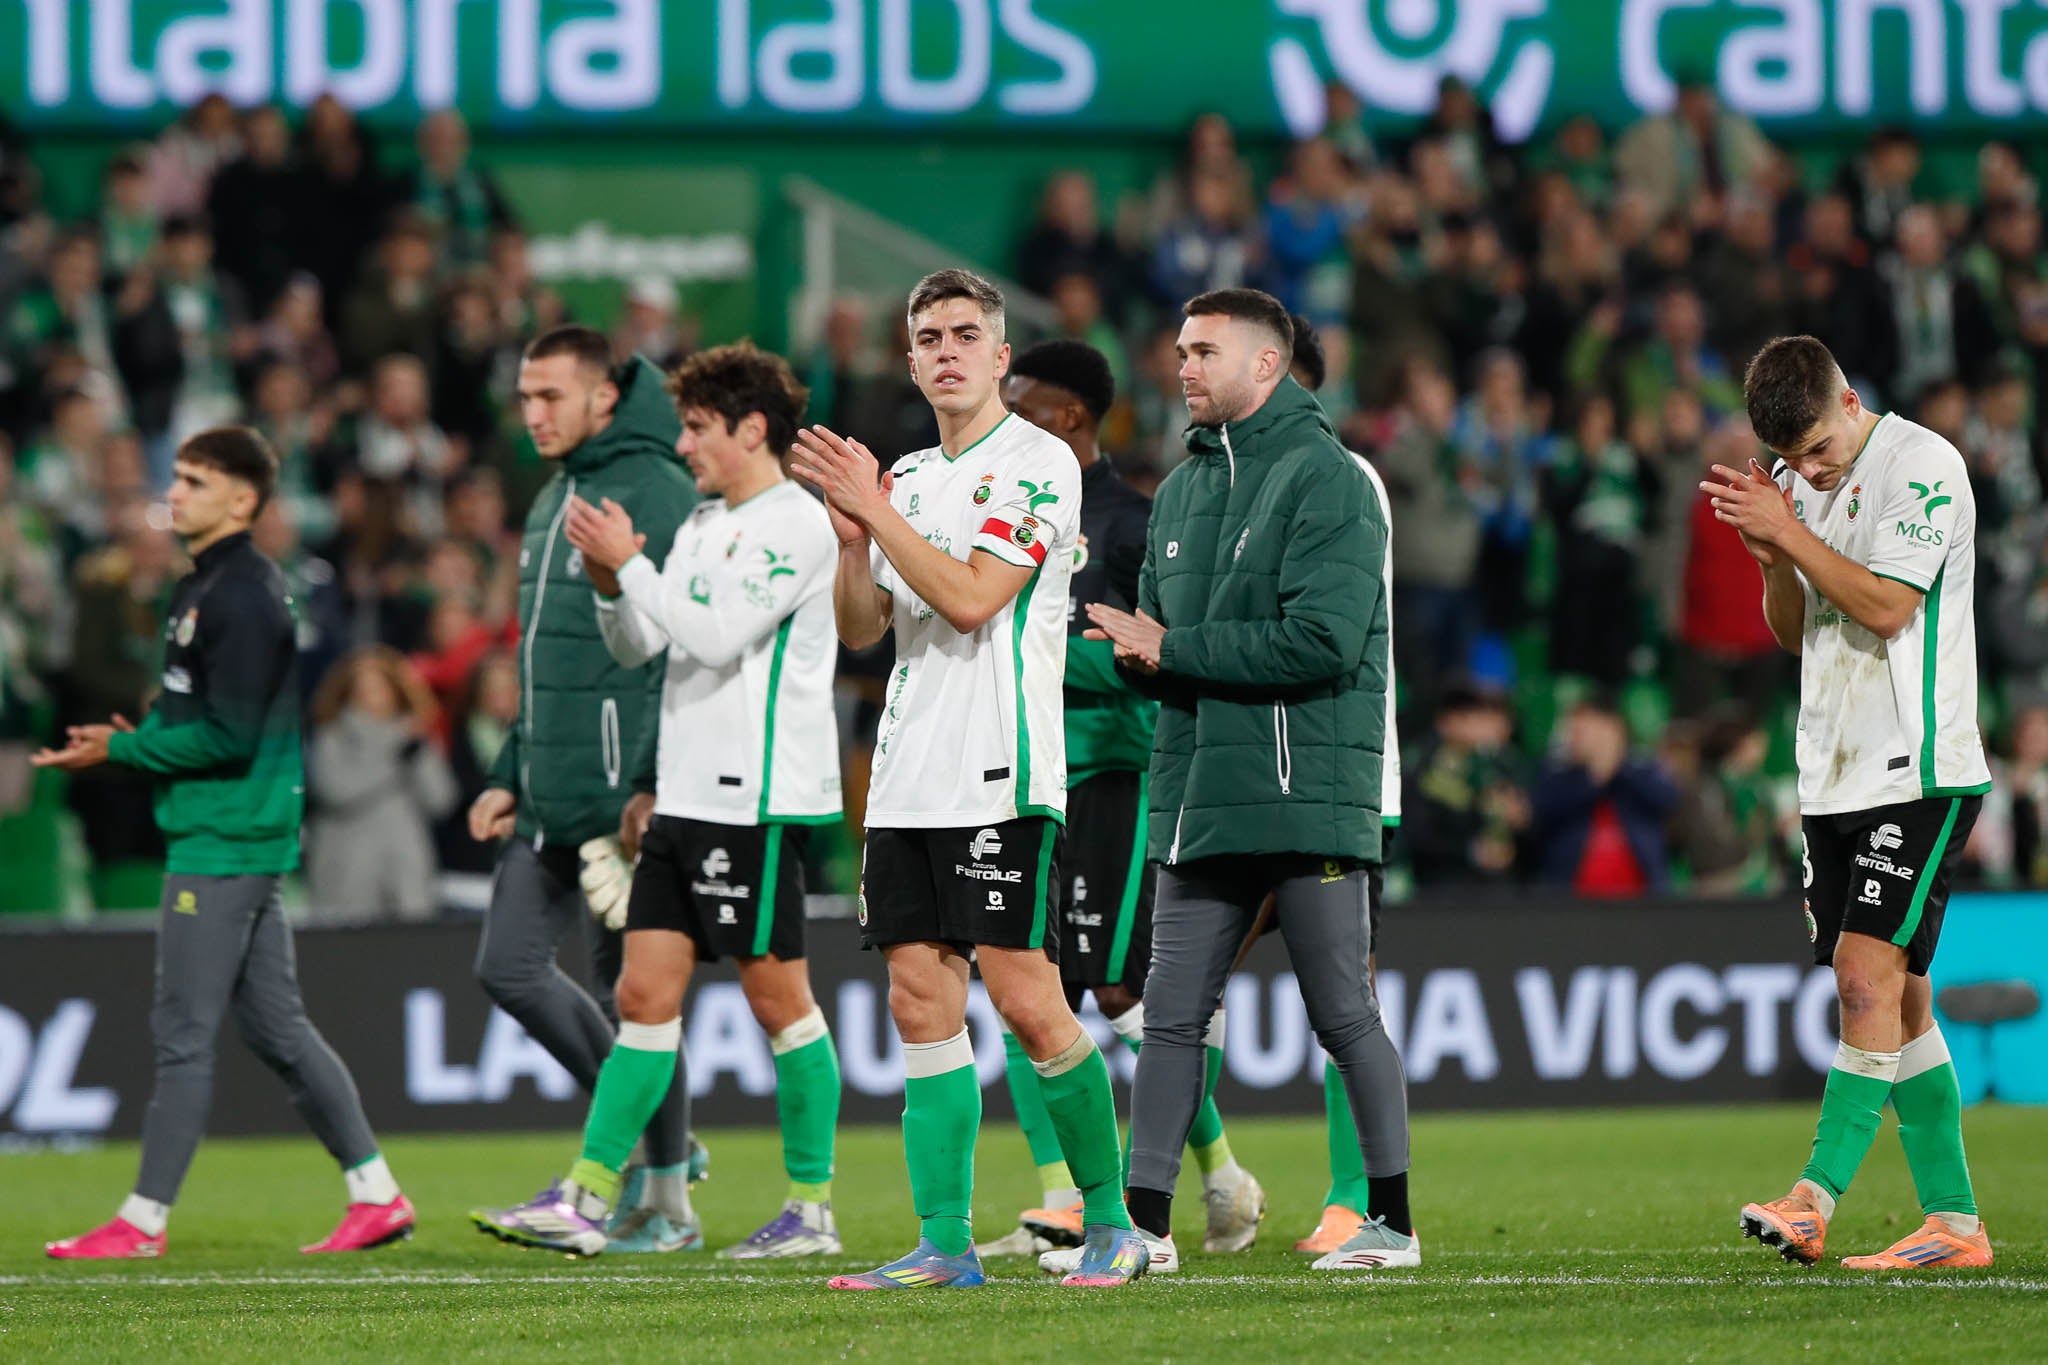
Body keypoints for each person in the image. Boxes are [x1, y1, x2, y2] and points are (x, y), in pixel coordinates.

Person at [791, 269, 1146, 1289]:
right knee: (916, 999)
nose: (945, 350)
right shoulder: (900, 477)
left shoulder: (1038, 463)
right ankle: (943, 1243)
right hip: (907, 776)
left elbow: (972, 601)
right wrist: (855, 543)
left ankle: (1113, 1224)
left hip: (999, 768)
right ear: (909, 362)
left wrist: (874, 511)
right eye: (928, 337)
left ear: (997, 357)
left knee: (1029, 999)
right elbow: (867, 630)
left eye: (964, 334)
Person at [474, 343, 845, 1260]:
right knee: (642, 997)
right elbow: (645, 643)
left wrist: (630, 567)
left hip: (753, 800)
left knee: (782, 1004)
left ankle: (812, 1209)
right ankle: (590, 1193)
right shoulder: (711, 522)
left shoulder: (796, 523)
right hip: (684, 797)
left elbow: (716, 637)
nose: (682, 446)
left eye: (697, 427)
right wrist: (613, 585)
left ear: (751, 429)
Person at [1084, 288, 1414, 1275]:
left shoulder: (1331, 480)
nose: (1180, 366)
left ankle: (1388, 1223)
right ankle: (1144, 1230)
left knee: (1341, 1015)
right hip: (1194, 797)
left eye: (1203, 351)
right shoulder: (1180, 491)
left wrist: (1170, 647)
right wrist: (1132, 656)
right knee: (1169, 1012)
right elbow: (1155, 647)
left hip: (1303, 791)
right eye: (1179, 349)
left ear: (1265, 366)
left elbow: (1322, 641)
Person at [34, 427, 414, 1258]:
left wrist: (125, 750)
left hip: (226, 838)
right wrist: (141, 734)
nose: (175, 492)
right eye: (175, 476)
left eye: (195, 481)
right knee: (279, 1030)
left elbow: (233, 736)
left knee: (182, 1030)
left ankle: (141, 1221)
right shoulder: (204, 584)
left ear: (244, 500)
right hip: (229, 828)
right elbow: (202, 717)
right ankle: (375, 1193)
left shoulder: (239, 594)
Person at [1709, 334, 1994, 1269]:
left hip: (1915, 765)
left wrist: (1790, 531)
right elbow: (1797, 634)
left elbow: (1886, 607)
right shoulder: (1798, 487)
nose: (1810, 472)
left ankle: (1813, 1198)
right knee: (1903, 998)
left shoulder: (1923, 465)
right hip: (1831, 772)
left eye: (1821, 452)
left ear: (1851, 401)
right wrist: (1769, 561)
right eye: (1792, 464)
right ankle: (1953, 1222)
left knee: (1862, 981)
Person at [983, 340, 1264, 1261]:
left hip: (1110, 774)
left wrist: (1055, 654)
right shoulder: (1003, 509)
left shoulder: (1135, 524)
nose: (1002, 417)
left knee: (1112, 986)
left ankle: (1218, 1170)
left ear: (1066, 416)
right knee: (1028, 980)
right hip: (1021, 773)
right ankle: (1063, 1195)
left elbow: (1166, 650)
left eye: (1018, 404)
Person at [463, 326, 704, 1252]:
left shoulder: (658, 492)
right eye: (525, 398)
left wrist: (644, 784)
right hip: (552, 792)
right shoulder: (554, 493)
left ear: (606, 396)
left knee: (636, 1002)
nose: (533, 415)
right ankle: (659, 1149)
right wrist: (508, 772)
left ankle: (665, 1194)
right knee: (507, 965)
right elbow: (543, 664)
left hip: (624, 804)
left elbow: (674, 656)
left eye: (551, 397)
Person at [1284, 315, 1407, 1258]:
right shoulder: (1217, 482)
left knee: (1341, 990)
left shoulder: (1342, 481)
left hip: (1338, 778)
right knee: (1175, 987)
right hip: (1238, 778)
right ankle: (1183, 1184)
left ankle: (1351, 1194)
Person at [304, 645, 459, 921]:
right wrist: (395, 756)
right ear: (347, 693)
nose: (372, 697)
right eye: (363, 689)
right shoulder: (334, 738)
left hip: (407, 869)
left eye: (380, 688)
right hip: (349, 870)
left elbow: (442, 800)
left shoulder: (414, 738)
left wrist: (419, 750)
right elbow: (336, 791)